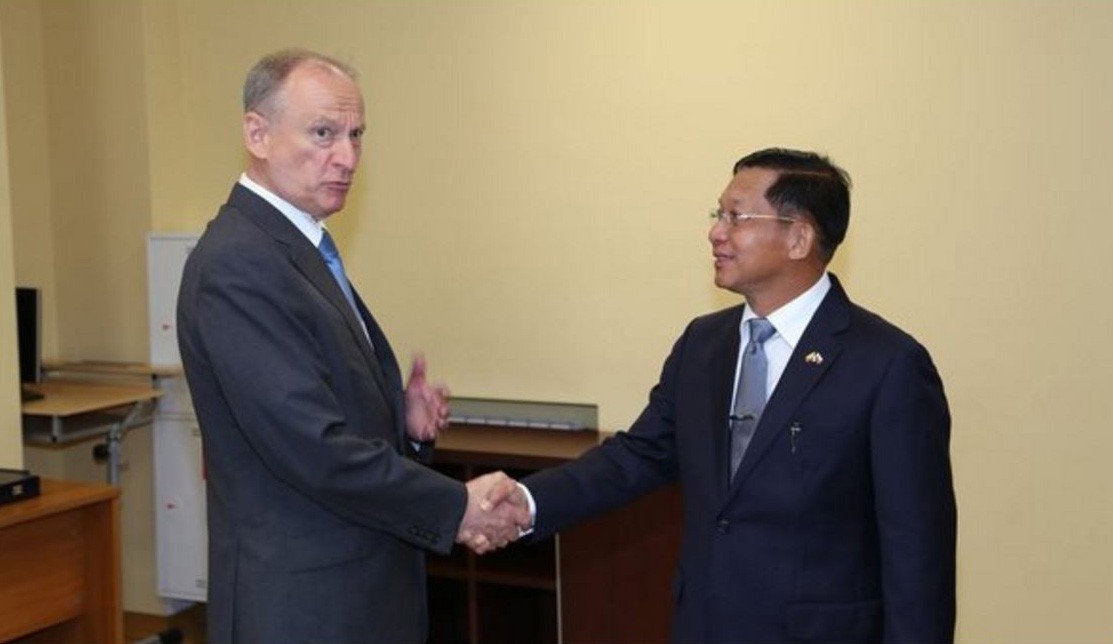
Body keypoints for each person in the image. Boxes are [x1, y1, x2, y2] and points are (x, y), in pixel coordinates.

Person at [497, 148, 957, 643]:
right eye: (718, 214)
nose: (716, 232)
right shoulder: (703, 343)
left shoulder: (888, 365)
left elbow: (918, 556)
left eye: (737, 217)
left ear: (799, 238)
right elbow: (639, 455)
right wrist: (526, 501)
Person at [177, 49, 528, 644]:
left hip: (353, 594)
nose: (346, 157)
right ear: (256, 134)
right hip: (303, 609)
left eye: (356, 135)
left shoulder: (296, 249)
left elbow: (324, 414)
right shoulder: (239, 263)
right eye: (323, 133)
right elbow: (311, 447)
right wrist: (457, 507)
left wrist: (402, 424)